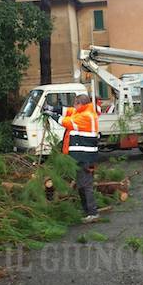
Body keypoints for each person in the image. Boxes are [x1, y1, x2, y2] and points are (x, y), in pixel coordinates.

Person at [43, 94, 100, 223]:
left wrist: (51, 115)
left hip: (85, 157)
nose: (73, 106)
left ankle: (92, 212)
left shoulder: (86, 116)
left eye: (75, 103)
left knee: (86, 185)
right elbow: (67, 111)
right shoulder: (82, 111)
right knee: (81, 185)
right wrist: (52, 108)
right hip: (81, 156)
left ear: (81, 104)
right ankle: (88, 211)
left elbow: (66, 122)